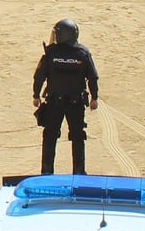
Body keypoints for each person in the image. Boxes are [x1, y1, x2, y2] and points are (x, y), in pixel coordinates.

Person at [33, 19, 99, 174]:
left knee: (49, 137)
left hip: (54, 103)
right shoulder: (82, 53)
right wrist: (94, 97)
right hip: (75, 104)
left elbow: (39, 76)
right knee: (78, 137)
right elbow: (93, 77)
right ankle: (79, 171)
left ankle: (47, 172)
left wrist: (36, 95)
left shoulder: (51, 54)